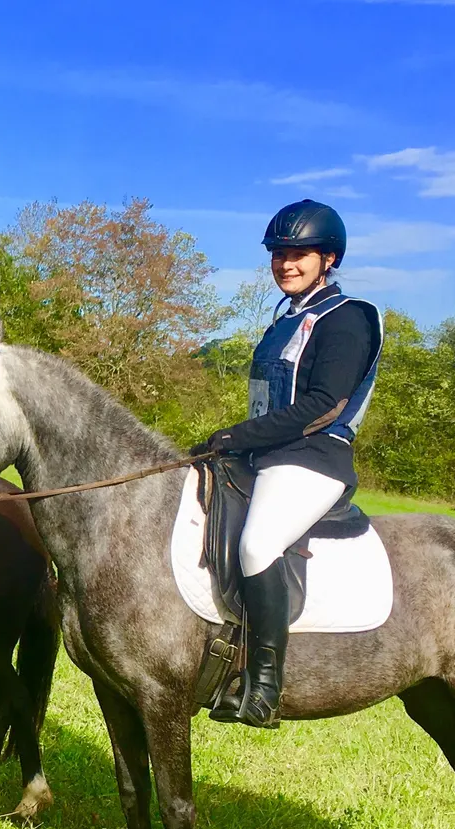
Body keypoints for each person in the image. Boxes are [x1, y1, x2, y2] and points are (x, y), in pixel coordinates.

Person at [191, 199, 382, 727]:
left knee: (257, 543)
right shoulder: (284, 322)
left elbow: (324, 405)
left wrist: (234, 436)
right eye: (278, 253)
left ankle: (265, 685)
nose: (285, 263)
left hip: (314, 459)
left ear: (329, 258)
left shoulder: (348, 320)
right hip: (264, 454)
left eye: (299, 253)